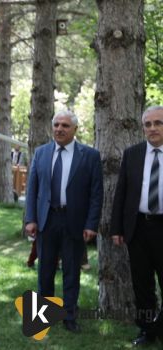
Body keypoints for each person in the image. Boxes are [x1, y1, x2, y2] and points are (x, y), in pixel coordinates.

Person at [24, 110, 103, 333]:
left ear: (75, 129)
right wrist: (30, 218)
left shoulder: (89, 156)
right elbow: (33, 189)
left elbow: (97, 194)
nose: (59, 129)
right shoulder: (41, 153)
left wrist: (91, 224)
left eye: (65, 125)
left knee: (71, 270)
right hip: (46, 220)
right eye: (57, 124)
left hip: (74, 221)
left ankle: (70, 316)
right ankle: (43, 317)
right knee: (45, 270)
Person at [110, 106, 163, 346]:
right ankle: (147, 331)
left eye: (158, 123)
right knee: (142, 285)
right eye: (148, 124)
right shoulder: (132, 154)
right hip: (138, 228)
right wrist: (117, 228)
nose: (152, 128)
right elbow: (121, 193)